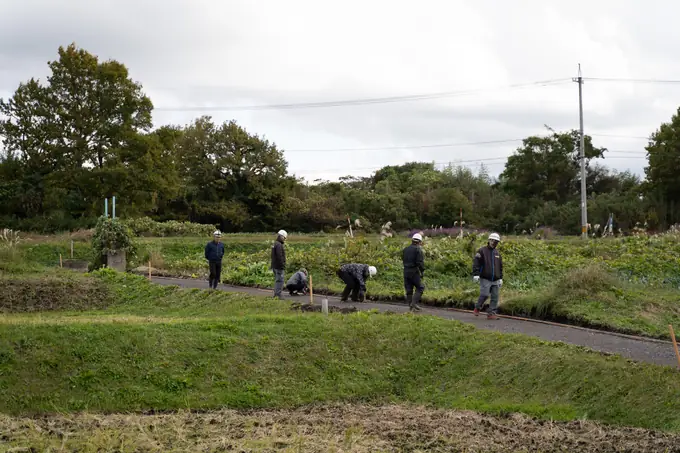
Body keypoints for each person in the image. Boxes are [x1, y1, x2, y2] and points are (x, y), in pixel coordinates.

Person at [472, 232, 503, 320]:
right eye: (493, 240)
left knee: (495, 296)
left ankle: (491, 313)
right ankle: (477, 307)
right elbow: (476, 263)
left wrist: (501, 278)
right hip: (485, 277)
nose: (494, 242)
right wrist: (476, 274)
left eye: (496, 241)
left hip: (496, 279)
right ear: (489, 240)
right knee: (485, 294)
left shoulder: (497, 253)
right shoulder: (482, 251)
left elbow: (500, 266)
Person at [403, 233, 425, 311]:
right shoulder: (418, 250)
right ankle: (414, 303)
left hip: (405, 271)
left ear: (412, 240)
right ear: (419, 242)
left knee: (409, 289)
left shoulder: (405, 249)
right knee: (420, 287)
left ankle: (410, 306)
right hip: (414, 272)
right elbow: (420, 263)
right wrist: (422, 272)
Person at [271, 229, 287, 299]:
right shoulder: (279, 245)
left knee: (277, 280)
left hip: (274, 266)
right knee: (280, 281)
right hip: (279, 266)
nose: (284, 239)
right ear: (281, 236)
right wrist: (282, 265)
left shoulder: (275, 244)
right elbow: (279, 256)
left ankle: (276, 294)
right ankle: (278, 295)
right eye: (284, 238)